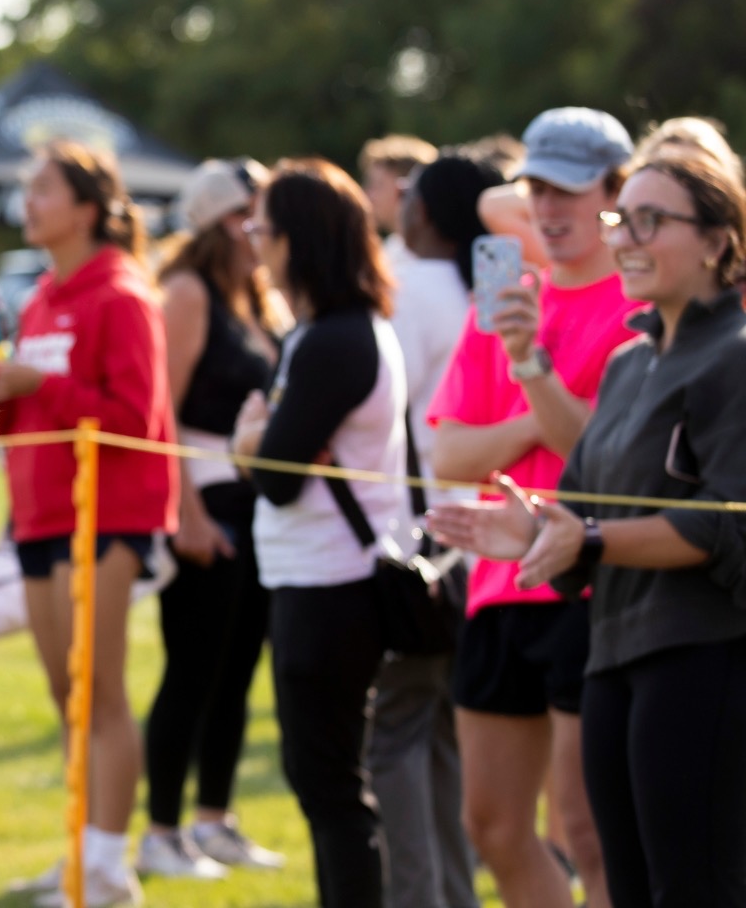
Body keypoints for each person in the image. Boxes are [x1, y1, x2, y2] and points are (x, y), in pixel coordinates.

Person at [427, 150, 746, 907]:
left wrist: (589, 540)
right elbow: (588, 506)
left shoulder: (734, 355)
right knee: (629, 885)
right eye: (620, 220)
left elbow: (727, 527)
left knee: (694, 887)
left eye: (650, 221)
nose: (625, 239)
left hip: (702, 657)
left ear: (716, 241)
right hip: (615, 654)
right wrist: (531, 531)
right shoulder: (633, 363)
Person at [428, 107, 636, 908]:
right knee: (494, 827)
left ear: (615, 193)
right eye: (537, 188)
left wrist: (529, 368)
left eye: (569, 190)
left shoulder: (639, 302)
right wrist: (533, 402)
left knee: (589, 828)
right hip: (496, 586)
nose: (548, 208)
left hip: (593, 580)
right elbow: (449, 455)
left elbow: (597, 462)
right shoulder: (509, 299)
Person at [0, 140, 176, 907]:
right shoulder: (42, 299)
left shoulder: (123, 295)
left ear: (88, 209)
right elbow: (37, 407)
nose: (30, 204)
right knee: (69, 694)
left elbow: (135, 419)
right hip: (38, 515)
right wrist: (2, 391)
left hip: (107, 512)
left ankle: (105, 868)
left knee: (100, 690)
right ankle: (78, 856)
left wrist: (41, 384)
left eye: (44, 192)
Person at [233, 158, 407, 908]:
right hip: (317, 575)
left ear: (298, 241)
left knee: (330, 785)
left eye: (262, 228)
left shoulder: (337, 339)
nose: (252, 241)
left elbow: (275, 473)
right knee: (324, 781)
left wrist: (248, 444)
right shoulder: (329, 332)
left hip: (331, 582)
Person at [141, 159, 286, 879]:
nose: (263, 226)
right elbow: (159, 412)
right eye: (251, 212)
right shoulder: (190, 290)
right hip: (207, 503)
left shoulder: (256, 297)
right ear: (224, 220)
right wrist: (186, 514)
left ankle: (216, 819)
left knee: (236, 673)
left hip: (256, 505)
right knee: (192, 670)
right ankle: (162, 830)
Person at [373, 154, 501, 908]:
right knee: (446, 737)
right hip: (477, 535)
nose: (398, 201)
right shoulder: (478, 291)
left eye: (412, 192)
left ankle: (418, 897)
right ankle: (454, 892)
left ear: (430, 212)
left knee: (395, 734)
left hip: (419, 536)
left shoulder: (408, 286)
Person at [360, 135, 440, 259]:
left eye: (378, 184)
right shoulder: (389, 251)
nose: (368, 195)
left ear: (406, 185)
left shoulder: (430, 255)